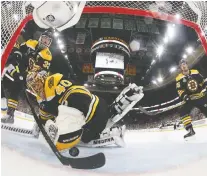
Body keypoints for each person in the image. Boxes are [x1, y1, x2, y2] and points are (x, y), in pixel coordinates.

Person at [25, 68, 143, 150]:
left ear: (42, 79)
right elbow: (45, 116)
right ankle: (114, 128)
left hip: (89, 109)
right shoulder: (46, 97)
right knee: (86, 135)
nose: (36, 89)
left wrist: (43, 124)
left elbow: (55, 102)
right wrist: (41, 123)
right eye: (33, 87)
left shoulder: (52, 82)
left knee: (75, 136)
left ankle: (113, 132)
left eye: (36, 84)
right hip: (97, 105)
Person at [1, 29, 54, 124]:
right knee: (11, 86)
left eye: (48, 40)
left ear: (50, 43)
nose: (45, 41)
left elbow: (40, 71)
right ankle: (9, 115)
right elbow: (19, 49)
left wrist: (23, 76)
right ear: (40, 38)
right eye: (44, 38)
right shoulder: (31, 42)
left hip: (35, 78)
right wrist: (16, 55)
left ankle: (42, 120)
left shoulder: (47, 55)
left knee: (40, 100)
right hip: (23, 70)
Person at [176, 59, 207, 139]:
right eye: (181, 65)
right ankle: (190, 130)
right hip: (190, 99)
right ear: (180, 67)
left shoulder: (195, 72)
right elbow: (180, 90)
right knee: (182, 111)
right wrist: (184, 96)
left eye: (184, 64)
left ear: (187, 65)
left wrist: (205, 87)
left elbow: (203, 81)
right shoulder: (178, 78)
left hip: (200, 96)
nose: (183, 65)